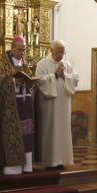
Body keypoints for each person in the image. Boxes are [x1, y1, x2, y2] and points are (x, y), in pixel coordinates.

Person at [0, 36, 35, 175]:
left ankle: (27, 166)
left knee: (26, 134)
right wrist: (14, 83)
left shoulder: (25, 64)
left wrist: (30, 83)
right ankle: (12, 167)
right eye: (19, 50)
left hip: (25, 106)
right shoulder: (1, 64)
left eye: (24, 50)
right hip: (9, 107)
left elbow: (30, 80)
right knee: (12, 135)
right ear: (12, 48)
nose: (22, 53)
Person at [35, 40, 79, 169]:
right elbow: (39, 82)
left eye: (63, 52)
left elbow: (75, 79)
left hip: (64, 104)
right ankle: (49, 161)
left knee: (62, 131)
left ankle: (62, 160)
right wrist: (54, 75)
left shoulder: (67, 65)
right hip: (49, 105)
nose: (61, 54)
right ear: (51, 50)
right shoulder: (42, 64)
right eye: (59, 51)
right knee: (50, 130)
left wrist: (64, 75)